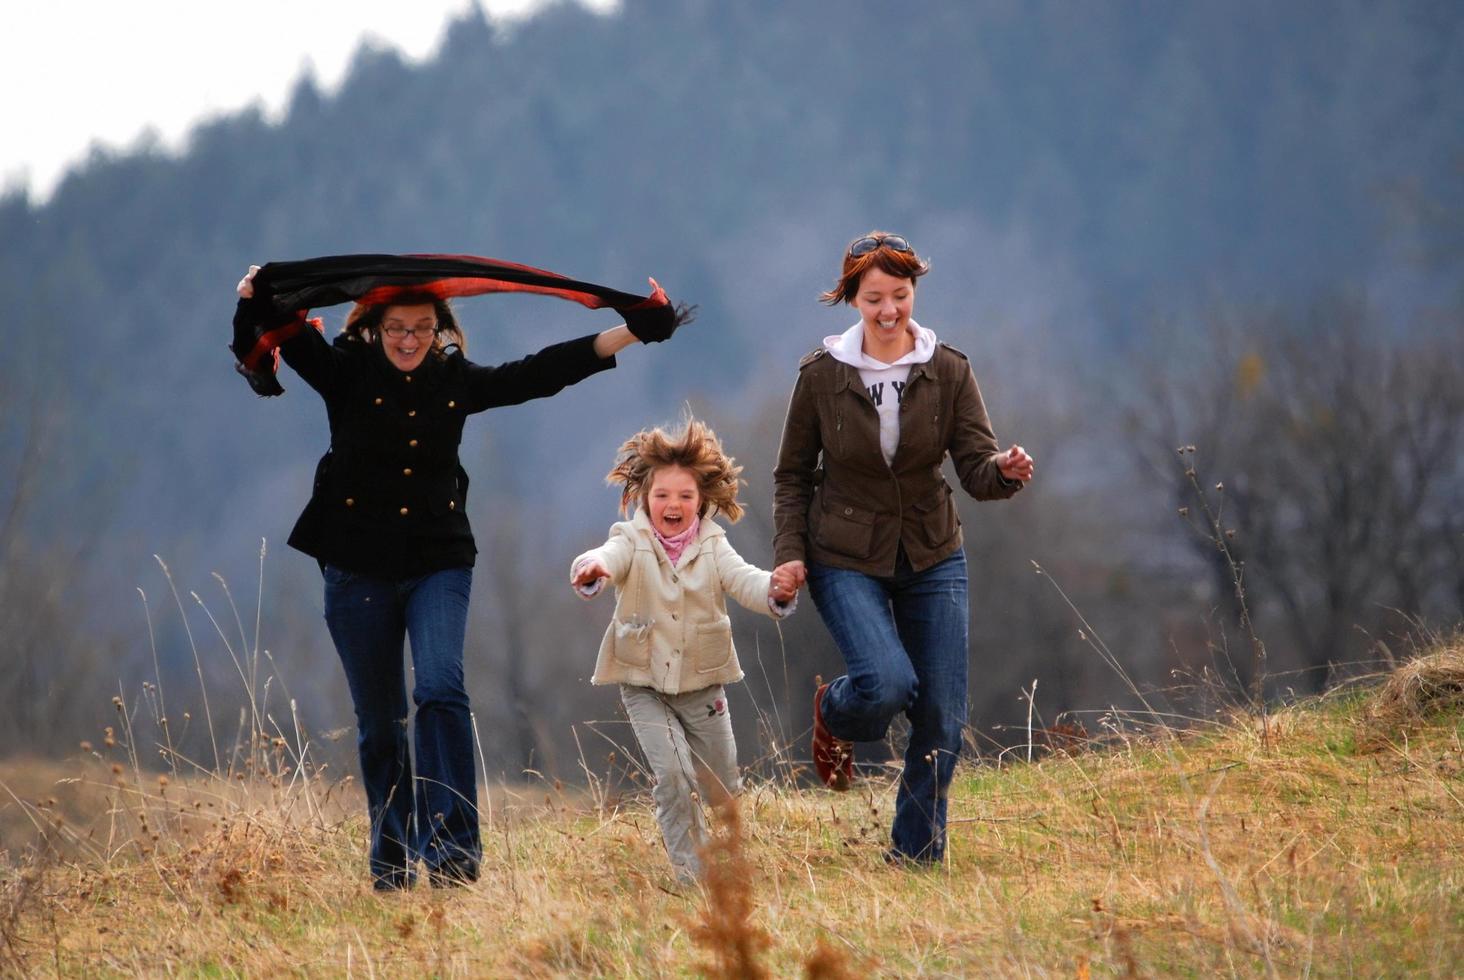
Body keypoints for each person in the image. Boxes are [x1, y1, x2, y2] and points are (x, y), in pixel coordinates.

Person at [235, 262, 686, 890]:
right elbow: (279, 322)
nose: (409, 339)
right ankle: (392, 862)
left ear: (440, 330)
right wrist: (259, 290)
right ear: (374, 329)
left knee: (442, 688)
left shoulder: (453, 381)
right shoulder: (343, 372)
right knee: (381, 722)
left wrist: (629, 332)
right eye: (396, 328)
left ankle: (452, 853)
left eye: (422, 328)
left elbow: (536, 375)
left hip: (436, 560)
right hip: (356, 566)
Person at [770, 232, 1034, 865]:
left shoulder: (948, 370)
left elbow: (974, 467)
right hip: (845, 554)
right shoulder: (821, 376)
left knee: (942, 717)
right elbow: (791, 476)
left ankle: (914, 857)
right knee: (886, 685)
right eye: (873, 299)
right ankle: (836, 712)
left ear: (914, 291)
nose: (889, 311)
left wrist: (1003, 469)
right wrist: (789, 550)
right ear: (851, 300)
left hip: (932, 550)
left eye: (900, 295)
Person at [570, 417, 797, 884]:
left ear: (703, 502)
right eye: (662, 496)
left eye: (685, 497)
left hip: (702, 684)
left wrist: (775, 588)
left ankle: (731, 860)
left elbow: (745, 581)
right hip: (643, 684)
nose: (673, 505)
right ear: (643, 499)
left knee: (723, 786)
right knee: (673, 779)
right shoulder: (630, 540)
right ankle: (691, 877)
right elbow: (608, 559)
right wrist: (591, 566)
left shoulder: (714, 546)